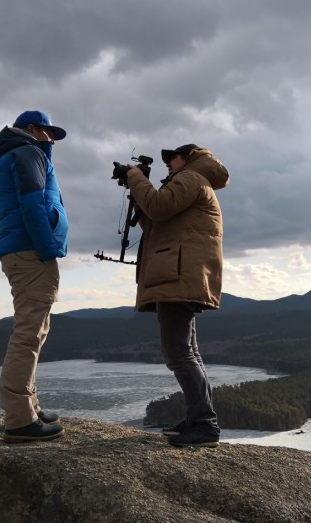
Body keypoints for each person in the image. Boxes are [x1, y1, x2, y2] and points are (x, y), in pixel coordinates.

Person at [126, 144, 229, 447]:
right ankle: (200, 419)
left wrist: (136, 179)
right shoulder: (195, 183)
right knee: (187, 352)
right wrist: (138, 192)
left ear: (189, 158)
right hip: (179, 272)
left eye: (173, 157)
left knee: (178, 353)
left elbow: (159, 207)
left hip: (177, 273)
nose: (168, 163)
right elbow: (155, 222)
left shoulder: (191, 178)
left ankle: (204, 424)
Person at [0, 110, 69, 443]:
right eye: (48, 133)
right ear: (33, 129)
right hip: (31, 252)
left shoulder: (18, 154)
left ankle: (29, 407)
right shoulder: (27, 153)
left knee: (35, 332)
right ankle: (20, 419)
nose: (52, 140)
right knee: (28, 334)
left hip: (21, 251)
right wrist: (47, 246)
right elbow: (33, 203)